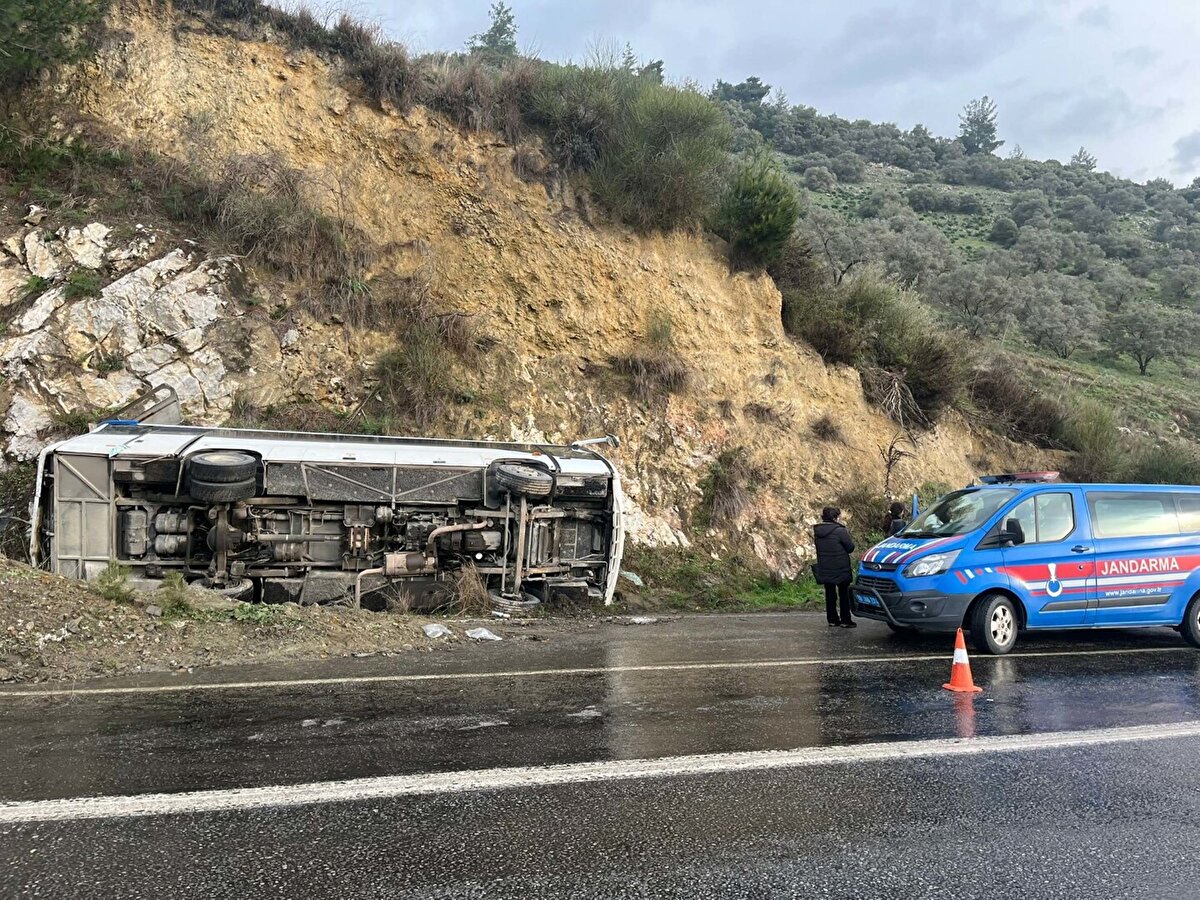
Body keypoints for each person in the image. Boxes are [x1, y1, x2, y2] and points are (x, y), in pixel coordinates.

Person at [813, 506, 856, 628]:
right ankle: (845, 620)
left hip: (825, 566)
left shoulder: (817, 531)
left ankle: (832, 619)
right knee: (843, 593)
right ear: (835, 517)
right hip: (840, 566)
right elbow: (850, 547)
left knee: (830, 594)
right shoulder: (840, 531)